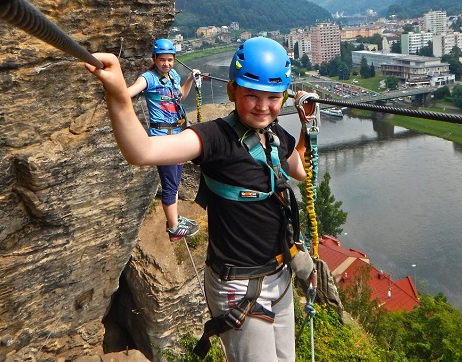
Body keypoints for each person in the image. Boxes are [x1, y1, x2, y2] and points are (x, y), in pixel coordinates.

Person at [86, 37, 317, 362]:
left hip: (279, 275)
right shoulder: (213, 137)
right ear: (232, 90)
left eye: (274, 97)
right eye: (252, 94)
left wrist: (307, 126)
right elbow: (143, 151)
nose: (263, 106)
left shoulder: (276, 135)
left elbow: (301, 171)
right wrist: (117, 94)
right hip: (239, 284)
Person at [126, 38, 200, 241]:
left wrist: (190, 79)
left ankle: (173, 219)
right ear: (154, 59)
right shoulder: (148, 78)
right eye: (162, 60)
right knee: (170, 185)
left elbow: (181, 96)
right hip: (162, 137)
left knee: (174, 182)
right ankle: (174, 228)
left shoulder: (173, 75)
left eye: (169, 60)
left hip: (176, 135)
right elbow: (128, 93)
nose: (166, 64)